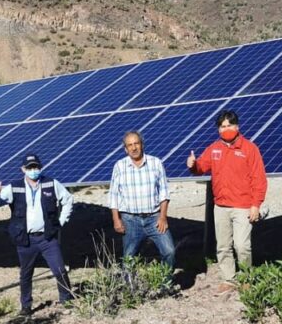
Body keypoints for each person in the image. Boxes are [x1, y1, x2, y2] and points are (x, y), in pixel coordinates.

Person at [187, 110, 267, 293]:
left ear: (237, 127)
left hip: (243, 206)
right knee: (223, 246)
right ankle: (229, 279)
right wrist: (193, 165)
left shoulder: (249, 149)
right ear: (218, 129)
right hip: (221, 206)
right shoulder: (214, 148)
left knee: (242, 245)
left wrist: (256, 204)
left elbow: (259, 179)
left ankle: (247, 277)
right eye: (222, 126)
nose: (226, 129)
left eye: (229, 125)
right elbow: (202, 167)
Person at [0, 153, 74, 314]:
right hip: (25, 239)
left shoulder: (51, 183)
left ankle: (66, 299)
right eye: (30, 167)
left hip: (47, 237)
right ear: (23, 169)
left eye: (35, 167)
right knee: (26, 274)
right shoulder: (14, 187)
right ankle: (26, 306)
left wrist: (60, 222)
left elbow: (68, 199)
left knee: (59, 270)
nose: (33, 170)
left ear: (40, 167)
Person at [108, 131, 176, 282]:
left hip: (154, 218)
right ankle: (130, 288)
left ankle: (165, 284)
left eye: (136, 143)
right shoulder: (120, 166)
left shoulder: (155, 163)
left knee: (169, 251)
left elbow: (164, 192)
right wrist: (116, 220)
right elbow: (114, 195)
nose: (133, 148)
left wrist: (163, 217)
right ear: (125, 149)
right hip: (130, 220)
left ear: (142, 144)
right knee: (129, 257)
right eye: (129, 145)